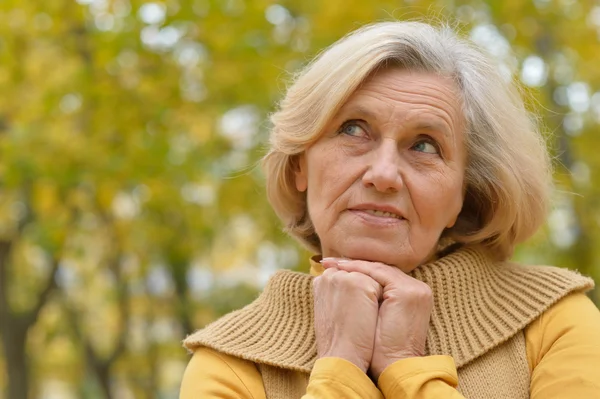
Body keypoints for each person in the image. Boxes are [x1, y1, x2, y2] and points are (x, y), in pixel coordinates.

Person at [179, 21, 600, 398]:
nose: (383, 175)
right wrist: (341, 365)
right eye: (353, 130)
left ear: (464, 194)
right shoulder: (231, 363)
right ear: (299, 165)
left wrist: (404, 368)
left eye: (424, 146)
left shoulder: (553, 322)